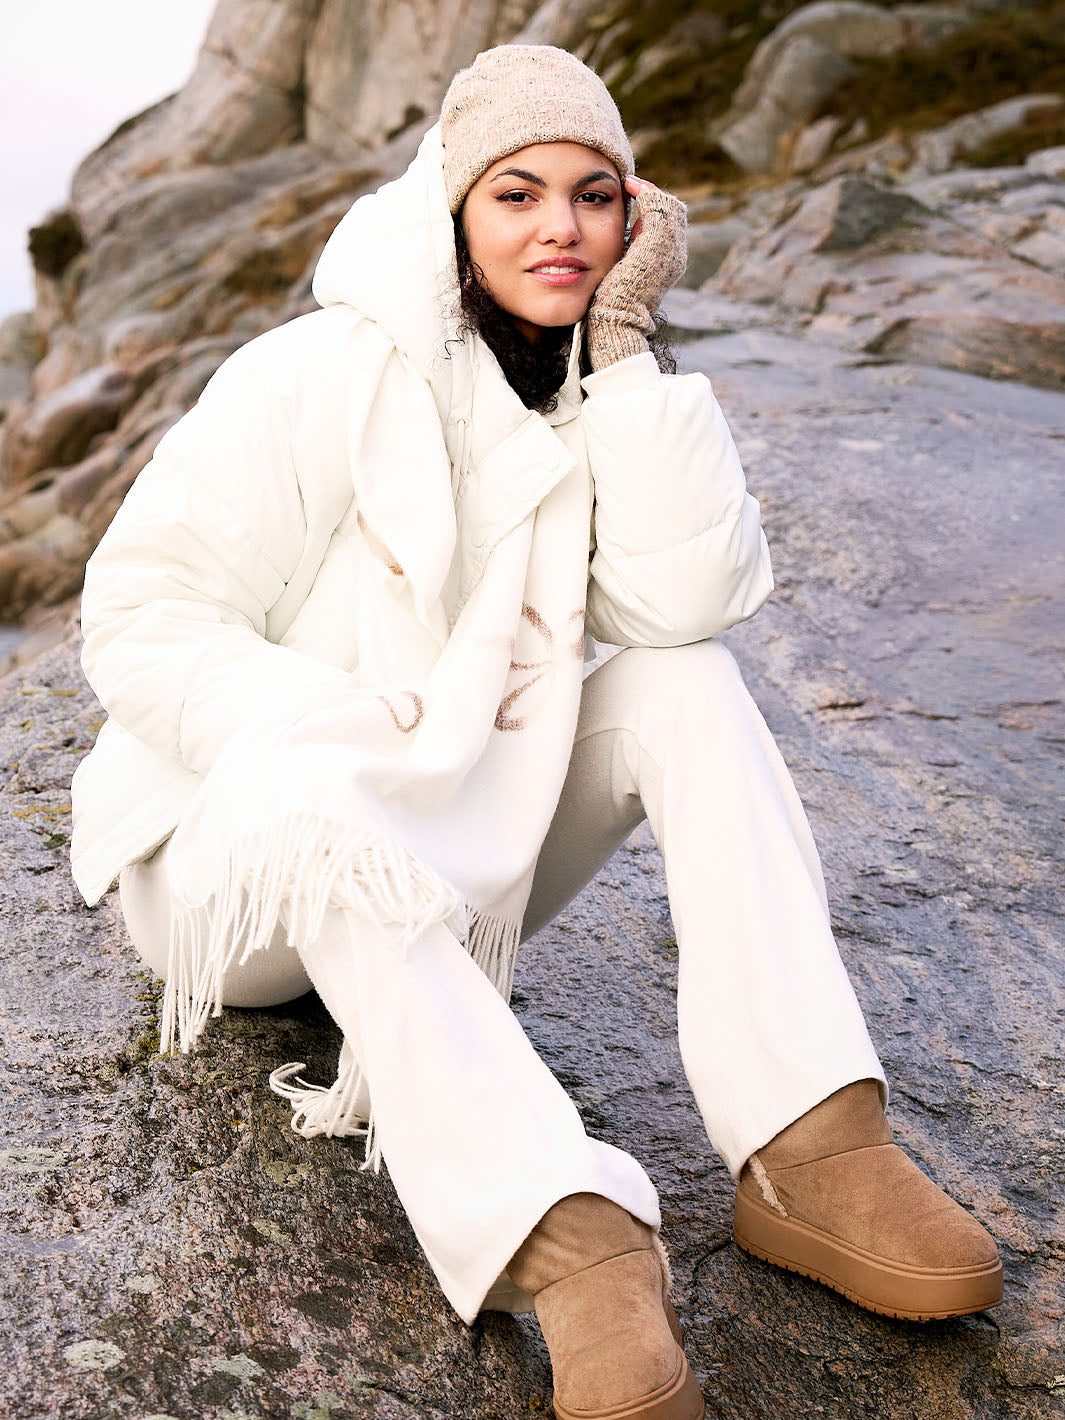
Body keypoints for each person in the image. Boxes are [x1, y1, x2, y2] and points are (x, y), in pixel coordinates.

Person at [70, 43, 1002, 1420]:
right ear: (452, 206)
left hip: (458, 814)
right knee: (338, 817)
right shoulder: (313, 372)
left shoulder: (586, 385)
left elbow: (683, 601)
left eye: (594, 193)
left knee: (684, 684)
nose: (558, 226)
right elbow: (140, 613)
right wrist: (346, 734)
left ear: (634, 221)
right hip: (237, 856)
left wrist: (623, 356)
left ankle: (810, 1142)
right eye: (515, 192)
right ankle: (567, 1238)